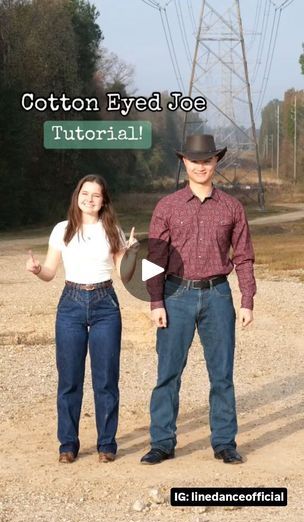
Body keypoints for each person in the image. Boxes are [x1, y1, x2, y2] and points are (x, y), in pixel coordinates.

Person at [141, 134, 256, 465]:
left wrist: (247, 299)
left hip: (218, 295)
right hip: (175, 295)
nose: (201, 166)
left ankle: (224, 442)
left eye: (207, 160)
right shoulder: (167, 206)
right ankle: (162, 442)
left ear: (216, 162)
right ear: (184, 162)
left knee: (222, 374)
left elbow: (244, 256)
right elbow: (154, 259)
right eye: (194, 161)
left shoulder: (232, 207)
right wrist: (156, 302)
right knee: (168, 372)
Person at [26, 174, 139, 464]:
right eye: (85, 193)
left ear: (104, 201)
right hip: (71, 304)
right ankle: (68, 444)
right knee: (69, 380)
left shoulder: (111, 229)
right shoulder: (62, 230)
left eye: (96, 195)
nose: (89, 199)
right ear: (77, 196)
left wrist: (131, 253)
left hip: (105, 304)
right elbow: (50, 272)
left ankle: (106, 444)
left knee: (105, 380)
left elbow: (123, 275)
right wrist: (37, 269)